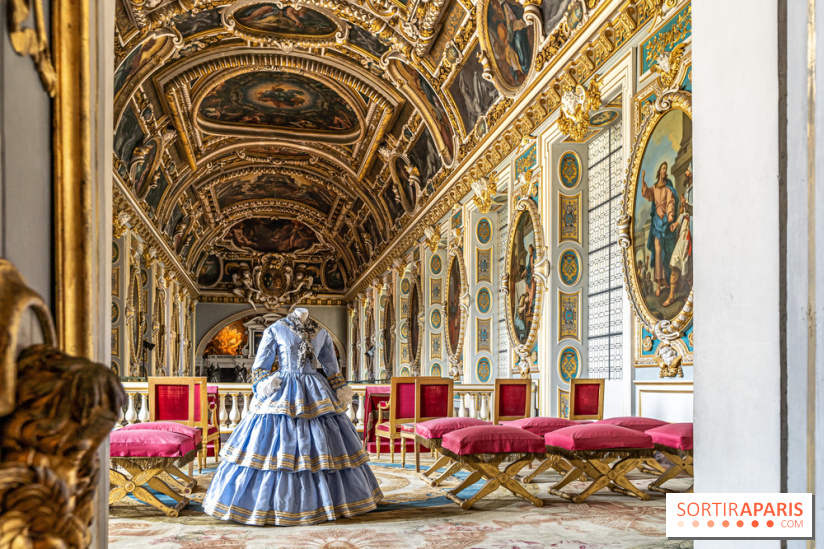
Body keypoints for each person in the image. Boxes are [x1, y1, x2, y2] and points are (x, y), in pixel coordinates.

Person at [202, 308, 382, 525]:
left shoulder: (321, 331)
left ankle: (329, 501)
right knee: (276, 445)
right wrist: (266, 384)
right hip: (284, 387)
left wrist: (340, 388)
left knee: (322, 445)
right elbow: (260, 367)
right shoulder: (275, 329)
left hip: (315, 388)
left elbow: (332, 368)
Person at [641, 162, 679, 297]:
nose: (665, 170)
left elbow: (671, 202)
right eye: (663, 168)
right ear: (659, 171)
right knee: (658, 250)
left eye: (666, 169)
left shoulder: (668, 188)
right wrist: (643, 180)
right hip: (657, 222)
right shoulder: (655, 188)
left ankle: (666, 279)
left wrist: (670, 214)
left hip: (665, 222)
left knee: (666, 250)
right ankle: (658, 282)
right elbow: (647, 194)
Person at [663, 164, 693, 307]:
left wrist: (686, 207)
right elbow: (683, 212)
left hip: (692, 230)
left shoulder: (697, 190)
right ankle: (671, 296)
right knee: (676, 259)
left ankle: (692, 293)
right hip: (684, 229)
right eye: (686, 170)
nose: (686, 172)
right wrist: (675, 224)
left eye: (688, 170)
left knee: (685, 262)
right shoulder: (688, 191)